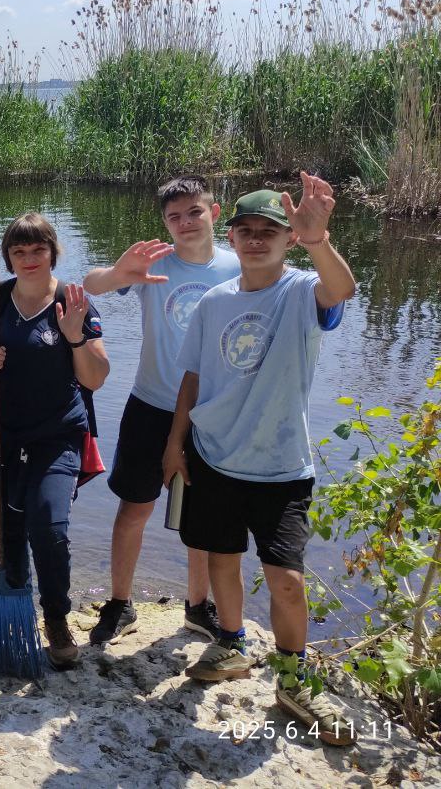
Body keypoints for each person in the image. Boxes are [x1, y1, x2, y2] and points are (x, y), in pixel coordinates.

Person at [163, 174, 357, 745]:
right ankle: (232, 643)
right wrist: (174, 442)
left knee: (287, 580)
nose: (254, 240)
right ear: (231, 236)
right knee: (221, 558)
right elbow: (193, 377)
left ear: (288, 239)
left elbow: (342, 289)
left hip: (281, 466)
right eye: (245, 231)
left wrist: (319, 239)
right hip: (214, 456)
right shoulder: (213, 302)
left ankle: (293, 680)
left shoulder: (302, 290)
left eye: (268, 232)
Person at [83, 175, 239, 645]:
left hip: (211, 411)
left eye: (194, 212)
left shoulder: (237, 267)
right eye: (174, 217)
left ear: (214, 213)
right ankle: (120, 603)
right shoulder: (153, 265)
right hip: (150, 404)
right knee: (134, 508)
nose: (185, 222)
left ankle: (197, 605)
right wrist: (120, 273)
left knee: (202, 516)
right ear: (165, 223)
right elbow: (90, 285)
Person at [0, 213, 109, 669]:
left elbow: (96, 378)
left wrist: (75, 339)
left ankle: (56, 617)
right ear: (9, 257)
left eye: (38, 249)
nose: (29, 259)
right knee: (7, 533)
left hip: (56, 434)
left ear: (53, 251)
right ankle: (15, 611)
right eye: (19, 251)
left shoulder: (74, 300)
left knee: (49, 527)